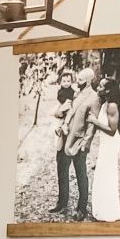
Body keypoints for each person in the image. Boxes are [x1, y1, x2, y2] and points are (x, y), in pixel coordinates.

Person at [56, 68, 100, 220]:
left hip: (79, 142)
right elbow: (68, 111)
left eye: (80, 80)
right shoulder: (76, 93)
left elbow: (92, 125)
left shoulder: (94, 98)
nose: (76, 82)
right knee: (62, 171)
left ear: (88, 81)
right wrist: (63, 122)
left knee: (81, 175)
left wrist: (86, 144)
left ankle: (82, 208)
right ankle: (62, 203)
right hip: (66, 137)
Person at [89, 69, 120, 222]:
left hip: (111, 143)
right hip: (106, 143)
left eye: (101, 86)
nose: (98, 88)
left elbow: (112, 130)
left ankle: (109, 211)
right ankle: (101, 209)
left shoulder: (112, 106)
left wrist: (94, 121)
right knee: (102, 175)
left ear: (108, 90)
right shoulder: (105, 103)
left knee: (107, 175)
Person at [50, 69, 79, 217]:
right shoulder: (63, 94)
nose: (67, 83)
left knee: (65, 169)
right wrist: (60, 111)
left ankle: (64, 203)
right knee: (61, 169)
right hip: (64, 129)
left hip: (72, 136)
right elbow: (58, 112)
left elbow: (68, 111)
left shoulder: (76, 95)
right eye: (64, 81)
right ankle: (62, 202)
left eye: (69, 81)